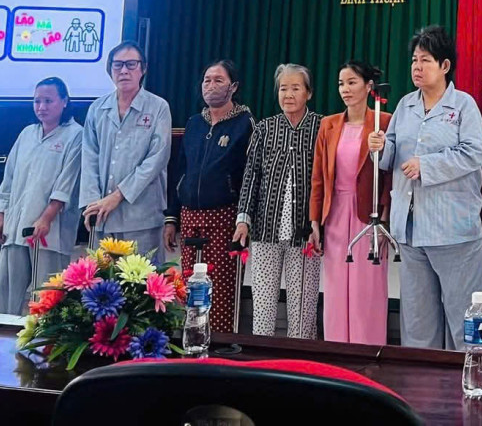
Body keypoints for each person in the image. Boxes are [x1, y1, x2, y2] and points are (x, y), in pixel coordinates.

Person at [368, 25, 482, 350]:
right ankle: (420, 380)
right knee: (418, 321)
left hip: (453, 230)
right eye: (414, 60)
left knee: (464, 318)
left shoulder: (463, 106)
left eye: (425, 60)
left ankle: (471, 376)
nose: (417, 67)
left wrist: (427, 165)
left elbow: (475, 153)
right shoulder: (406, 105)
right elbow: (390, 157)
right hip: (410, 229)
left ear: (445, 65)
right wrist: (379, 147)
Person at [233, 64, 322, 338]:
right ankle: (263, 359)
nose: (288, 95)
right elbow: (251, 176)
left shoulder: (322, 127)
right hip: (265, 230)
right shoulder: (264, 128)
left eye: (295, 88)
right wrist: (243, 220)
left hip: (305, 234)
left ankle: (299, 361)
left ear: (308, 93)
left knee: (302, 313)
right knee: (262, 310)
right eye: (283, 88)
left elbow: (328, 178)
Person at [165, 59, 253, 335]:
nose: (210, 86)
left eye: (218, 80)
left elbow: (249, 176)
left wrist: (244, 219)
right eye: (207, 80)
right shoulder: (194, 123)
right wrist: (172, 218)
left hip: (225, 217)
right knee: (190, 287)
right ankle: (192, 342)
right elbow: (180, 171)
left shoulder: (245, 124)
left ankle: (221, 345)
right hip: (190, 216)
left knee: (221, 288)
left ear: (233, 86)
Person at [310, 61, 393, 345]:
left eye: (352, 82)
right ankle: (337, 352)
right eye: (341, 83)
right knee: (335, 290)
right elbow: (319, 177)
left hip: (368, 214)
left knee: (366, 289)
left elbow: (389, 176)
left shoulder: (384, 121)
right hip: (335, 213)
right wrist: (315, 221)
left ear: (369, 86)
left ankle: (368, 352)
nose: (345, 89)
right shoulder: (329, 124)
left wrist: (384, 218)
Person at [0, 78, 82, 315]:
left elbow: (67, 184)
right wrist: (1, 217)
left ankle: (46, 337)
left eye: (48, 101)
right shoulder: (27, 134)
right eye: (37, 101)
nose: (41, 107)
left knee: (48, 298)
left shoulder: (76, 135)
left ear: (64, 101)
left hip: (51, 231)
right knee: (4, 298)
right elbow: (8, 179)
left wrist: (46, 218)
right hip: (15, 227)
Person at [80, 41, 172, 254]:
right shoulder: (97, 109)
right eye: (117, 65)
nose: (123, 71)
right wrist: (93, 204)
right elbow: (89, 159)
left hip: (142, 217)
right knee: (102, 276)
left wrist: (117, 196)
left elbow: (156, 159)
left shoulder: (158, 107)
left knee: (141, 275)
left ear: (143, 68)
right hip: (102, 216)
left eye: (131, 64)